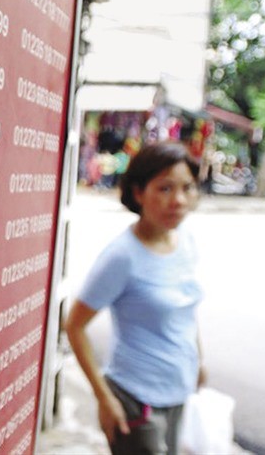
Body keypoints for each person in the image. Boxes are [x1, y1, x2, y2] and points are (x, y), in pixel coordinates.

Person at [65, 141, 207, 455]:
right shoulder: (122, 256)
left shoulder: (186, 241)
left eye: (188, 188)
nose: (179, 200)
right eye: (165, 188)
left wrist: (199, 359)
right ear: (138, 192)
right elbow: (74, 326)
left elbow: (185, 310)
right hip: (136, 400)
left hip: (178, 392)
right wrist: (105, 399)